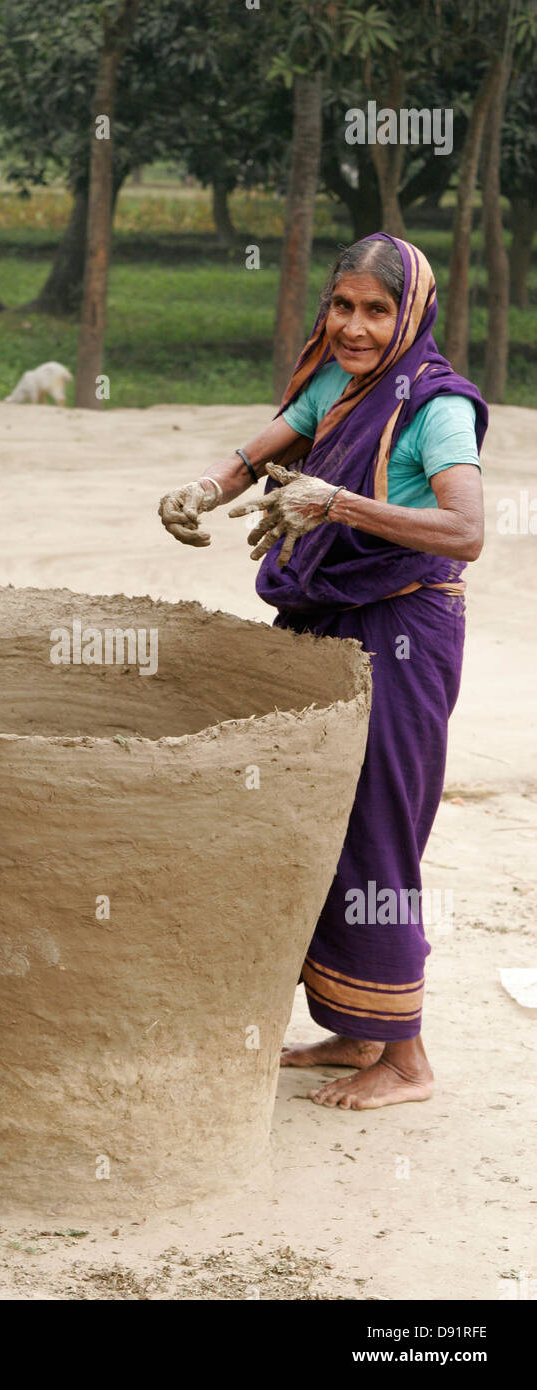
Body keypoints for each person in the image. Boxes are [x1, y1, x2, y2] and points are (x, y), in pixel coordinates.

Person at [159, 233, 488, 1110]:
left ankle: (407, 1060)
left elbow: (467, 533)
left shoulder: (435, 406)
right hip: (331, 622)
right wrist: (199, 490)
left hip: (404, 627)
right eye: (342, 306)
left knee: (379, 823)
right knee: (325, 816)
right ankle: (354, 1029)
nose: (354, 326)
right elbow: (263, 451)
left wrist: (334, 502)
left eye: (376, 311)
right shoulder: (337, 384)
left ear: (409, 314)